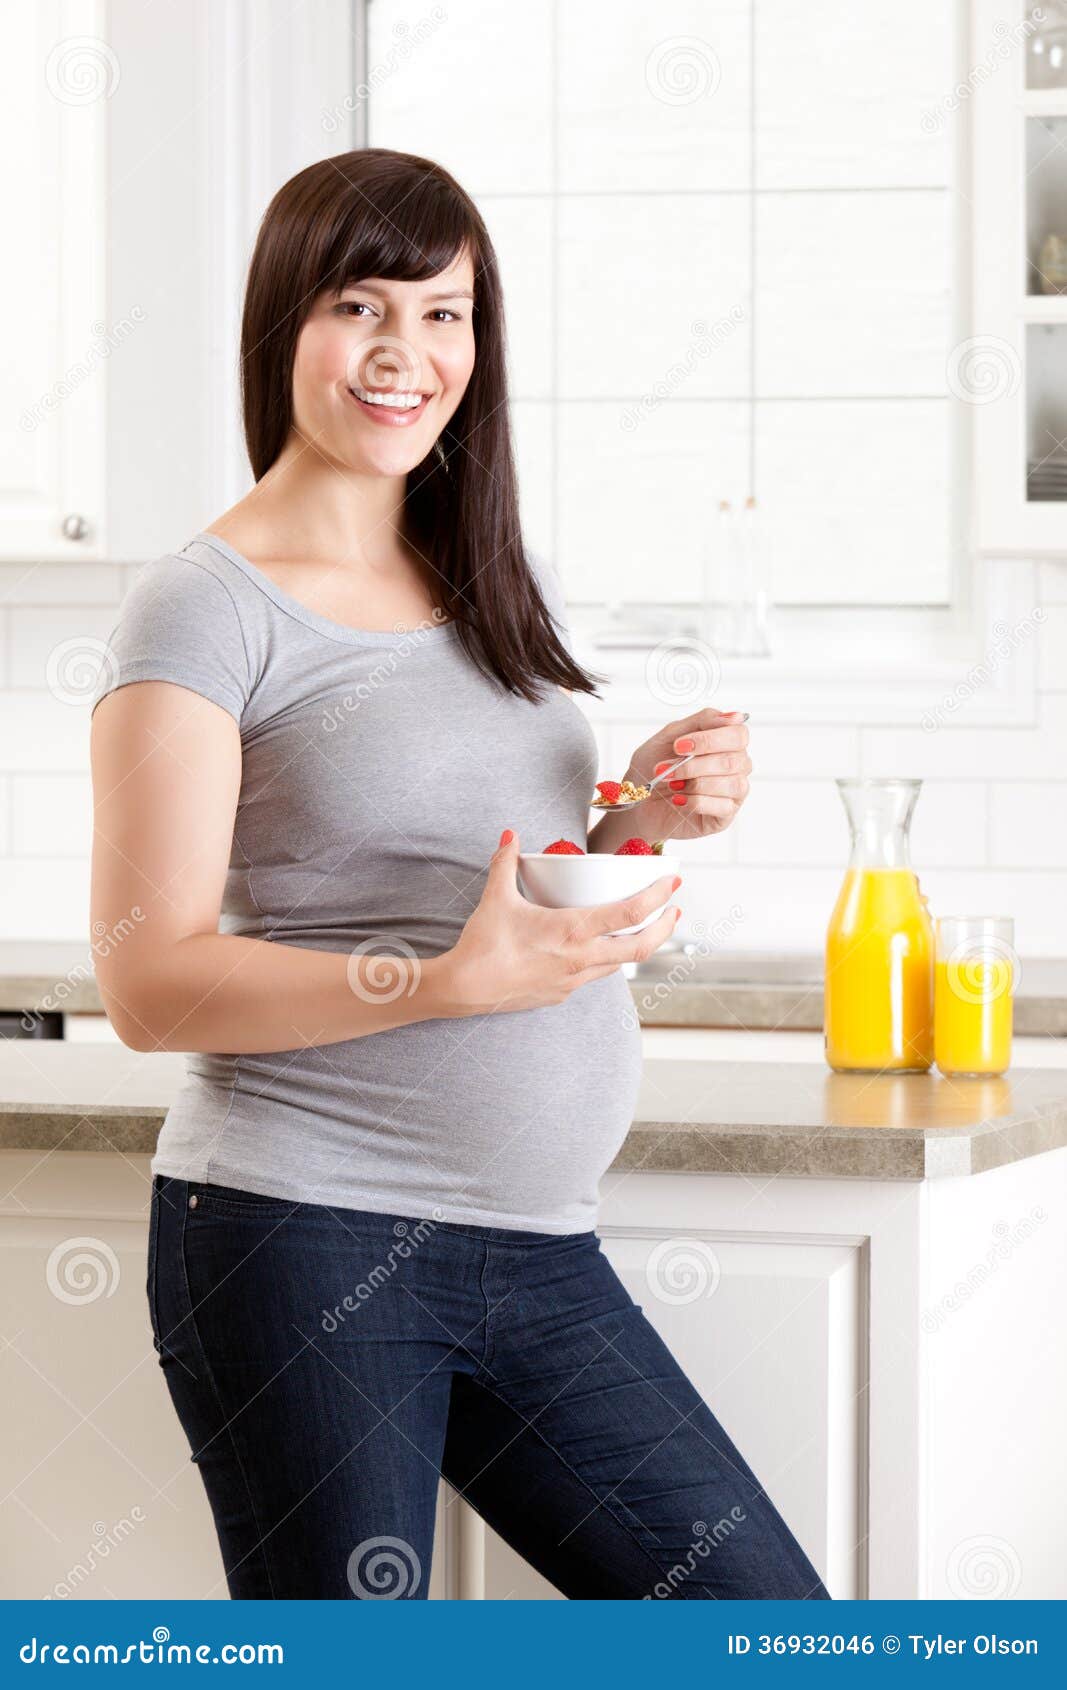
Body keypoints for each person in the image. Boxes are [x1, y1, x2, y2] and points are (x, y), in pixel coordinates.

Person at [89, 147, 826, 1601]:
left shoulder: (484, 569)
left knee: (767, 1631)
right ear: (282, 325)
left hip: (538, 1252)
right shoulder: (203, 603)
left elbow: (497, 879)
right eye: (360, 305)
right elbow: (149, 977)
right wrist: (439, 983)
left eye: (446, 313)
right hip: (302, 1237)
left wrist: (637, 816)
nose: (404, 353)